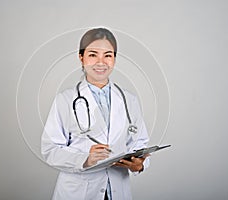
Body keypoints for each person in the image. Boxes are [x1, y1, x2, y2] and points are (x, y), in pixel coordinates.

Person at [41, 28, 150, 200]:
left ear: (114, 59)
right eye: (93, 55)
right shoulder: (65, 99)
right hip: (79, 192)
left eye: (108, 55)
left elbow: (140, 143)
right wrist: (85, 159)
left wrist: (139, 165)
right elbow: (50, 150)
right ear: (81, 57)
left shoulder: (130, 99)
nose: (101, 62)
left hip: (117, 188)